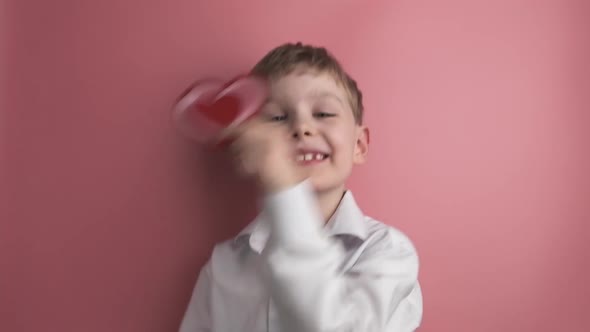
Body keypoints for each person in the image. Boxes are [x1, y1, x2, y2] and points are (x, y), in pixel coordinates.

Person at [178, 42, 423, 332]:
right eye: (278, 118)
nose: (302, 127)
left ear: (359, 145)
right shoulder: (222, 267)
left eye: (324, 114)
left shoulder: (388, 252)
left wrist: (284, 187)